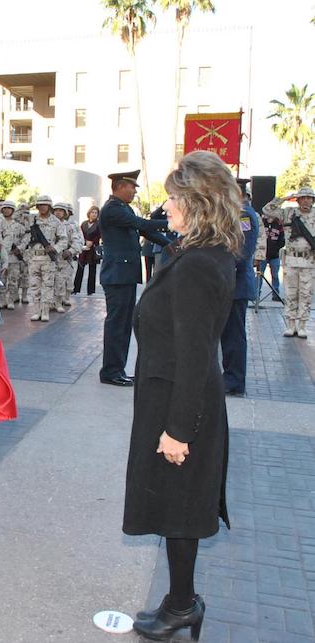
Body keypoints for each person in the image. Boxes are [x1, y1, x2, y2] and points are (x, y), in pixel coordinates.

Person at [123, 151, 243, 641]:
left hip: (179, 401)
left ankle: (180, 605)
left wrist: (178, 429)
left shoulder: (196, 265)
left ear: (197, 203)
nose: (165, 207)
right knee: (180, 505)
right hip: (174, 397)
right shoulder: (205, 256)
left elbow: (196, 355)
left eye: (173, 199)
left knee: (180, 505)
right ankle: (181, 601)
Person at [98, 170, 171, 386]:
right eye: (131, 187)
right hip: (117, 276)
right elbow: (143, 225)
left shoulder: (123, 208)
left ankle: (116, 368)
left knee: (123, 324)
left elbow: (145, 231)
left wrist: (172, 245)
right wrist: (175, 223)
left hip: (124, 275)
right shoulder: (112, 210)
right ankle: (111, 371)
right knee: (117, 324)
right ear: (120, 187)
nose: (133, 191)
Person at [221, 179, 260, 396]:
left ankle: (234, 381)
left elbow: (242, 251)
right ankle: (230, 377)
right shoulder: (237, 212)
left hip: (236, 284)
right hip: (230, 282)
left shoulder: (243, 214)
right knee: (228, 334)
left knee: (234, 335)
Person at [262, 186, 315, 338]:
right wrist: (284, 199)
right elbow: (267, 210)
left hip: (309, 260)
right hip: (291, 260)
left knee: (305, 294)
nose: (306, 200)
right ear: (298, 199)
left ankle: (302, 325)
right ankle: (291, 324)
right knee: (291, 293)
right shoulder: (289, 213)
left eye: (309, 198)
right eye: (303, 197)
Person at [26, 195, 68, 322]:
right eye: (40, 205)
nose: (43, 207)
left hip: (48, 258)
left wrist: (55, 248)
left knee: (48, 285)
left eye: (45, 205)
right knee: (34, 285)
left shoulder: (56, 222)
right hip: (34, 258)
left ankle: (45, 311)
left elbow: (64, 240)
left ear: (49, 206)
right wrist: (30, 205)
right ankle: (36, 311)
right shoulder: (32, 219)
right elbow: (17, 215)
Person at [52, 202, 82, 312]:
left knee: (61, 281)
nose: (58, 212)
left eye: (60, 210)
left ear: (65, 213)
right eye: (56, 210)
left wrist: (70, 252)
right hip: (49, 258)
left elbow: (78, 242)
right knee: (48, 282)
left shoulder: (70, 227)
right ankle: (49, 303)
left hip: (63, 258)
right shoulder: (48, 224)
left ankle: (59, 302)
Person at [0, 200, 28, 309]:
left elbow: (26, 237)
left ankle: (11, 300)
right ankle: (2, 300)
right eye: (4, 208)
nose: (6, 210)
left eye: (9, 208)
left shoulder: (18, 226)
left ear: (13, 210)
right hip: (1, 256)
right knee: (1, 280)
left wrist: (19, 248)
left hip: (14, 257)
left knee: (13, 280)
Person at [255, 199, 284, 302]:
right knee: (259, 275)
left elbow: (282, 239)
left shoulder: (279, 224)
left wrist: (276, 248)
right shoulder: (262, 222)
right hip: (263, 254)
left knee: (275, 275)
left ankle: (275, 294)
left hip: (274, 255)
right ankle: (256, 295)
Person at [74, 204, 101, 295]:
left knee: (92, 270)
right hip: (84, 248)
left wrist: (92, 241)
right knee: (80, 268)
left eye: (96, 213)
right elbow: (79, 234)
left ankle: (91, 291)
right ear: (89, 213)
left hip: (93, 249)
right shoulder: (84, 223)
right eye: (92, 212)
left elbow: (99, 235)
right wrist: (85, 241)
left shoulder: (98, 224)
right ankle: (76, 289)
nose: (94, 214)